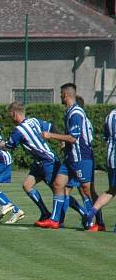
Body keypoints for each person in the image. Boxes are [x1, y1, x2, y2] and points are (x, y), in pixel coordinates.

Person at [39, 83, 97, 229]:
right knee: (58, 184)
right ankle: (54, 220)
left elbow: (74, 137)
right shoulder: (70, 111)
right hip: (70, 158)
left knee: (86, 190)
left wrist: (51, 135)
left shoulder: (76, 113)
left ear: (65, 95)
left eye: (60, 94)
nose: (60, 97)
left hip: (81, 157)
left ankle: (94, 221)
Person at [0, 102, 59, 226]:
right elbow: (51, 127)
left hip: (48, 161)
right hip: (39, 163)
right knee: (27, 185)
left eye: (10, 115)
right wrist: (60, 141)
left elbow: (10, 145)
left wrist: (1, 145)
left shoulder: (19, 130)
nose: (10, 118)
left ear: (14, 114)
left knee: (58, 191)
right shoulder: (34, 120)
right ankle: (45, 212)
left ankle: (82, 214)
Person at [84, 106, 116, 231]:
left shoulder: (110, 116)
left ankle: (91, 212)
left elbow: (106, 137)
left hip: (111, 158)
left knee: (112, 190)